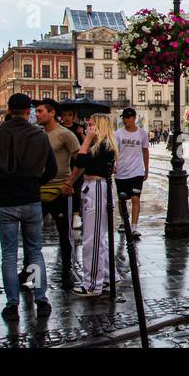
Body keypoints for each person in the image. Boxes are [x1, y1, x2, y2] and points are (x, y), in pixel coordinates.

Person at [0, 93, 57, 321]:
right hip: (31, 199)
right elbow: (52, 169)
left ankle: (12, 305)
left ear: (9, 110)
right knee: (35, 251)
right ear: (28, 110)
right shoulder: (39, 134)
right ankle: (41, 300)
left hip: (7, 200)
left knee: (9, 254)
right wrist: (35, 182)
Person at [71, 114, 117, 298]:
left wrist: (87, 139)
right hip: (93, 188)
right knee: (97, 237)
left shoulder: (103, 147)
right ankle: (106, 276)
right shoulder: (102, 145)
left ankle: (92, 284)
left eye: (90, 125)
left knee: (93, 239)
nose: (87, 128)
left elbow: (80, 161)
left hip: (97, 188)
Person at [36, 100, 79, 292]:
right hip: (39, 190)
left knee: (64, 235)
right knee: (32, 234)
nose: (37, 115)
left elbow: (80, 160)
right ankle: (30, 271)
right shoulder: (37, 134)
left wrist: (69, 181)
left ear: (52, 113)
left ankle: (66, 271)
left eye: (40, 111)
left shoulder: (65, 134)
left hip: (60, 190)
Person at [115, 108, 150, 239]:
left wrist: (146, 169)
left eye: (128, 117)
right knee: (122, 199)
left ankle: (134, 227)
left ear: (134, 118)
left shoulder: (142, 134)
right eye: (124, 117)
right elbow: (114, 151)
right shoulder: (118, 134)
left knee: (135, 198)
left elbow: (145, 151)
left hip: (137, 171)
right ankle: (124, 222)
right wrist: (114, 165)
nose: (126, 120)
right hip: (121, 171)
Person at [59, 105, 86, 229]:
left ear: (74, 116)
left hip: (76, 164)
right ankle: (64, 212)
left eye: (69, 115)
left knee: (77, 188)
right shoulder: (59, 128)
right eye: (65, 115)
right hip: (63, 163)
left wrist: (81, 134)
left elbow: (87, 145)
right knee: (62, 189)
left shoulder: (79, 128)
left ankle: (76, 215)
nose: (67, 118)